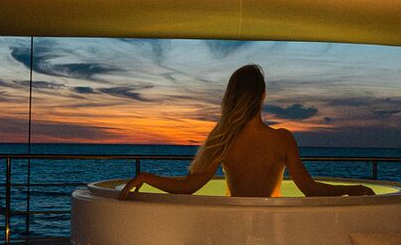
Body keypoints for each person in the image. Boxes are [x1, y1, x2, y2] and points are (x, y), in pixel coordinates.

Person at [119, 65, 373, 198]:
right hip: (272, 222)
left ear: (231, 97)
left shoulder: (223, 138)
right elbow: (309, 189)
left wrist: (146, 177)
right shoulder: (282, 139)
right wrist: (354, 188)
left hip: (234, 222)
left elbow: (187, 187)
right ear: (263, 95)